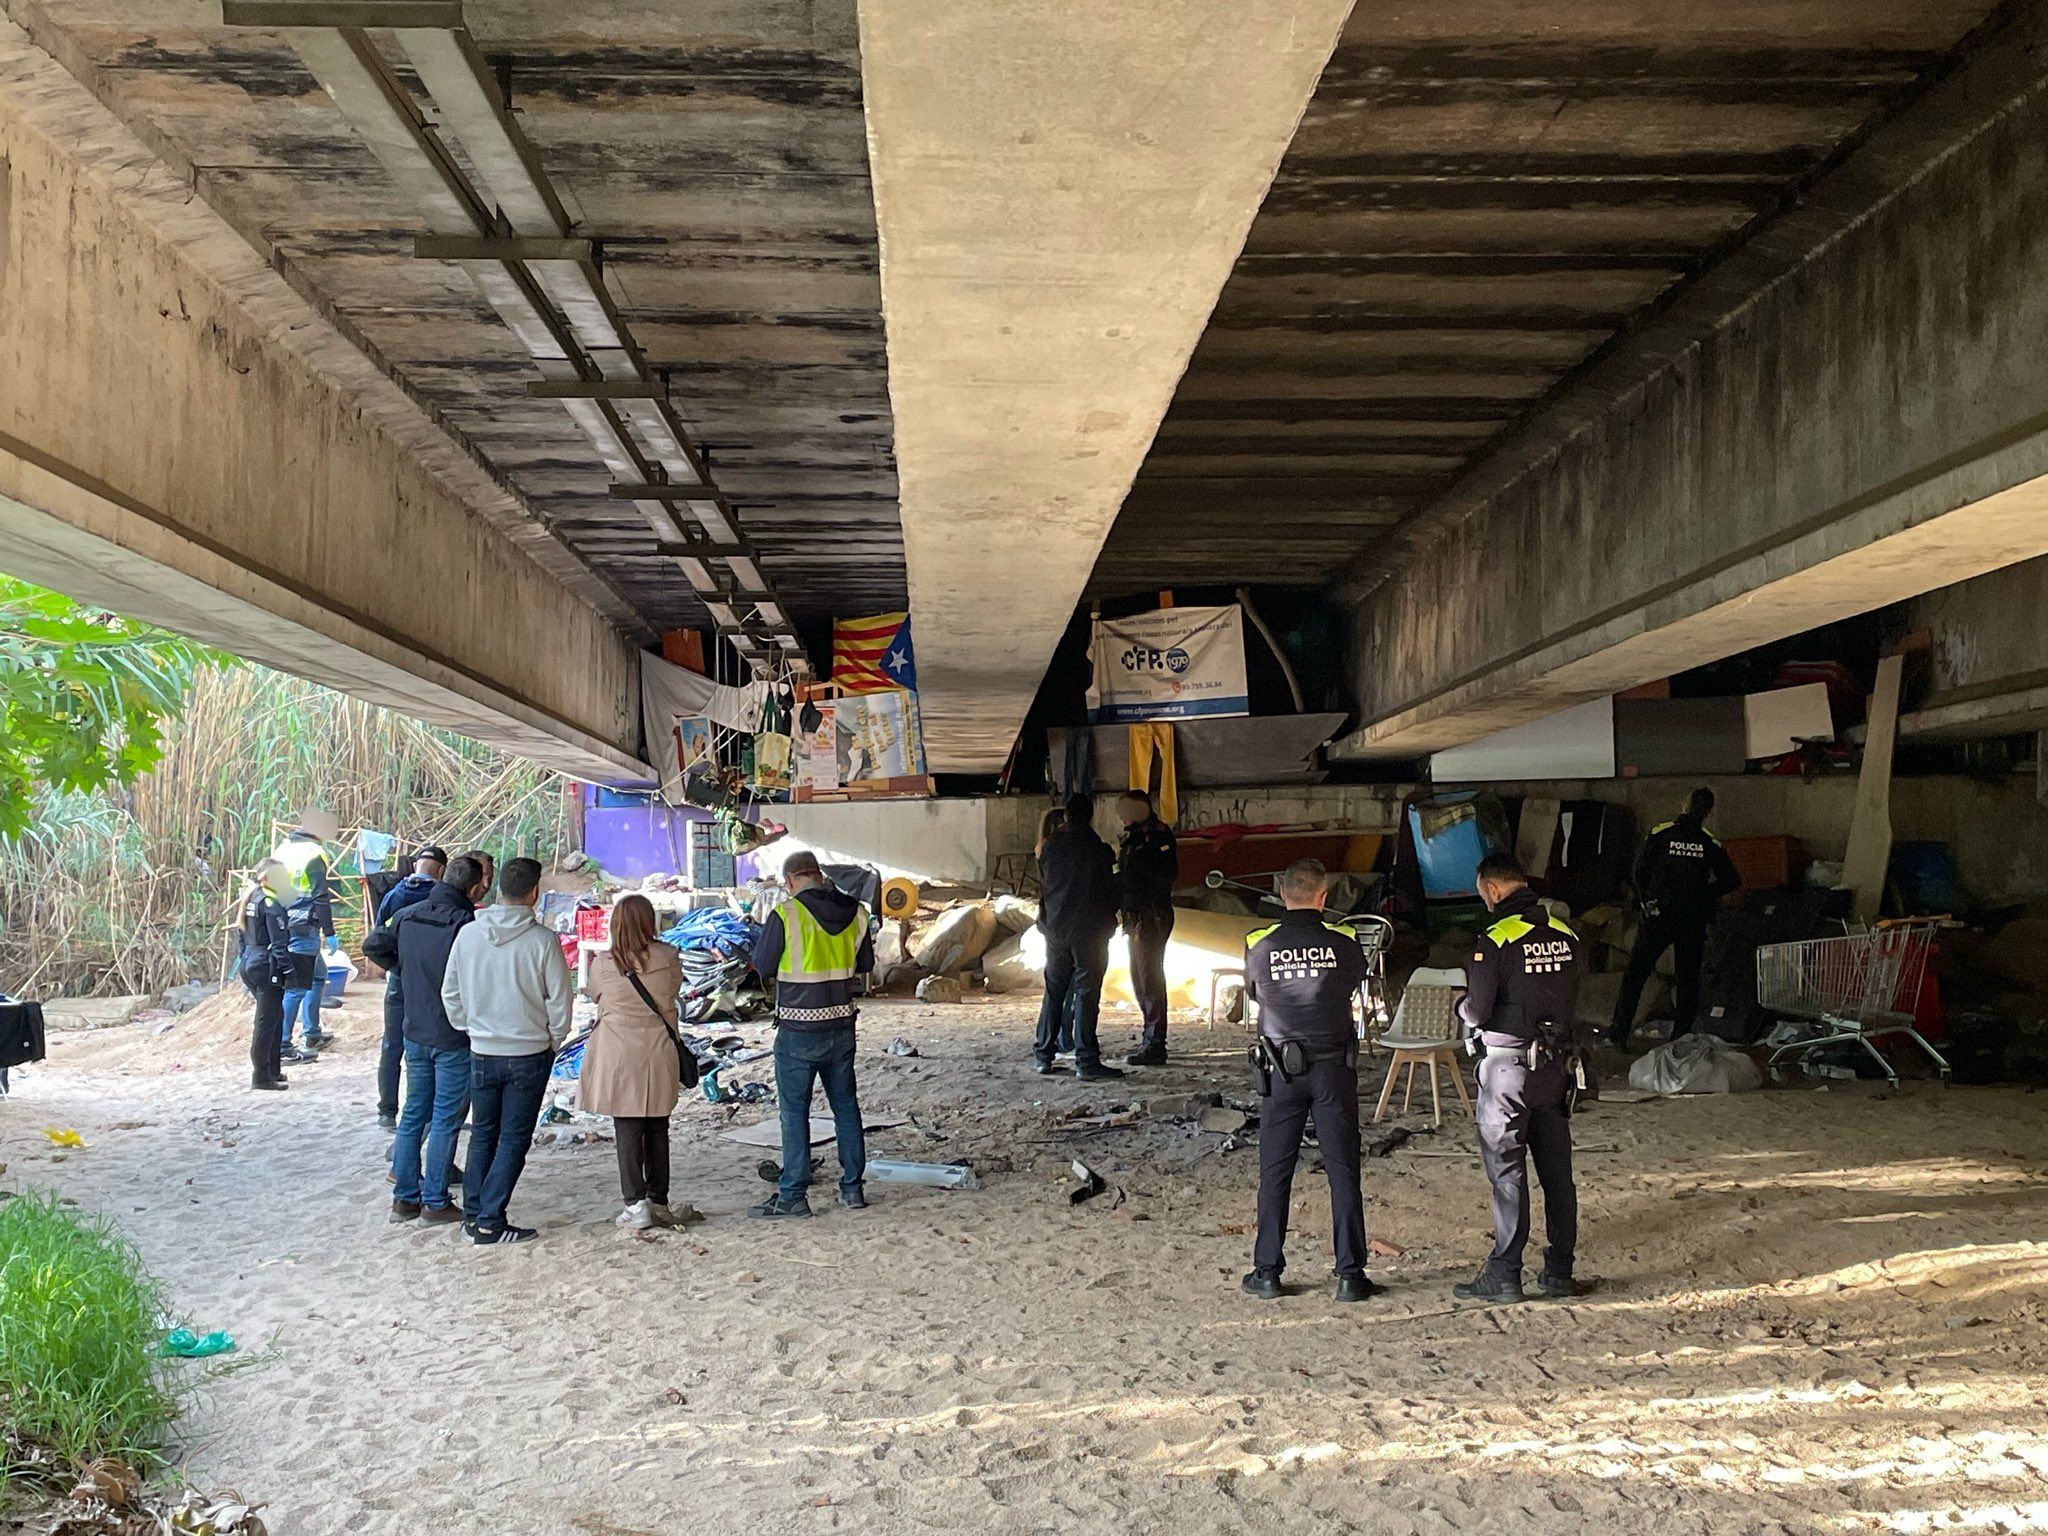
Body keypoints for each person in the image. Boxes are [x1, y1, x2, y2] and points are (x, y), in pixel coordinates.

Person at [1239, 859, 1378, 1303]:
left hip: (1281, 1071)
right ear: (1323, 896)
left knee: (1275, 1171)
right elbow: (1355, 983)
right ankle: (1350, 1275)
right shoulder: (1346, 940)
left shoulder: (1258, 943)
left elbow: (1254, 993)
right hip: (1333, 1068)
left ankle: (1266, 1272)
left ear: (1282, 893)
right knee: (1343, 1171)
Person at [1456, 851, 1586, 1305]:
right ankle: (1560, 1272)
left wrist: (1459, 1006)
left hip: (1508, 1070)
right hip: (1556, 1068)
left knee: (1508, 1171)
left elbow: (1477, 1010)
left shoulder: (1494, 938)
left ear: (1492, 889)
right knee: (1557, 1174)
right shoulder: (1565, 932)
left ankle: (1506, 1273)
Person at [441, 856, 573, 1244]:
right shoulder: (543, 941)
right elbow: (559, 1003)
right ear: (535, 892)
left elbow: (451, 993)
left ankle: (474, 1215)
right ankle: (490, 1220)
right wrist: (553, 1039)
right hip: (529, 1052)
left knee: (483, 1134)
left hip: (482, 1051)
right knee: (513, 1139)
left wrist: (472, 1029)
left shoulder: (468, 935)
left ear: (497, 888)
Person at [749, 851, 876, 1219]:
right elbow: (865, 964)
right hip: (841, 1025)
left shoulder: (786, 914)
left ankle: (793, 1195)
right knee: (846, 1108)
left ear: (789, 881)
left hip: (797, 1030)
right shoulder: (856, 913)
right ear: (819, 875)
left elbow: (764, 965)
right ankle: (852, 1189)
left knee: (794, 1113)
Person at [371, 853, 486, 1228]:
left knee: (413, 1113)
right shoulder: (465, 923)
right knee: (445, 1119)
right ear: (472, 888)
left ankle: (404, 1197)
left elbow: (373, 944)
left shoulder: (407, 914)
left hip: (415, 1027)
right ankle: (435, 1201)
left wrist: (404, 968)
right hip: (452, 1032)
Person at [580, 894, 686, 1230]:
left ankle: (635, 1202)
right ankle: (659, 1200)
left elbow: (596, 994)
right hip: (658, 1047)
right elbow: (672, 993)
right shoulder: (669, 957)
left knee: (627, 1128)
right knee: (658, 1127)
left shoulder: (602, 962)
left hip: (618, 1051)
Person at [1609, 787, 1740, 1052]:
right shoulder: (1709, 842)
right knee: (1688, 979)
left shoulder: (1661, 833)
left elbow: (1638, 871)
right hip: (1692, 919)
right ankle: (1680, 1039)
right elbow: (1733, 880)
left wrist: (1644, 901)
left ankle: (1618, 1035)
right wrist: (1704, 894)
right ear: (1708, 813)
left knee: (1636, 974)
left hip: (1659, 916)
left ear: (1684, 804)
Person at [1031, 795, 1124, 1080]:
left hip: (1056, 931)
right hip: (1089, 933)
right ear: (1092, 816)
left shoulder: (1049, 849)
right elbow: (1114, 889)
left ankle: (1043, 1056)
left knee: (1054, 992)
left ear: (1067, 817)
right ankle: (1086, 1060)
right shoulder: (1100, 851)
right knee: (1086, 994)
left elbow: (1045, 886)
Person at [373, 845, 448, 1130]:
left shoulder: (394, 896)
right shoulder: (440, 898)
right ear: (441, 870)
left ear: (416, 865)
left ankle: (387, 1111)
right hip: (431, 983)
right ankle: (431, 1112)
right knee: (433, 1045)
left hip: (400, 981)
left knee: (392, 1044)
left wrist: (396, 967)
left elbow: (377, 939)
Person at [1116, 788, 1179, 1066]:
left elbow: (1166, 874)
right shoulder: (1132, 835)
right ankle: (1150, 1036)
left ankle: (1155, 1043)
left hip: (1151, 915)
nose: (1122, 817)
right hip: (1135, 916)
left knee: (1150, 979)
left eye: (1127, 810)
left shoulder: (1157, 834)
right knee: (1139, 980)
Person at [270, 806, 339, 1058]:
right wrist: (329, 931)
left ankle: (312, 1033)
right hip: (304, 925)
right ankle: (283, 1046)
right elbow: (321, 895)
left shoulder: (283, 848)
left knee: (317, 974)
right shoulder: (314, 854)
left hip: (281, 921)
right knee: (297, 987)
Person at [238, 859, 294, 1092]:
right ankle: (260, 1076)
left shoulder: (252, 898)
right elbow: (279, 944)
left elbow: (242, 936)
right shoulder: (271, 903)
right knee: (265, 1022)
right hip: (265, 965)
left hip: (250, 961)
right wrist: (289, 971)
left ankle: (272, 1070)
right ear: (269, 878)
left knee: (275, 1016)